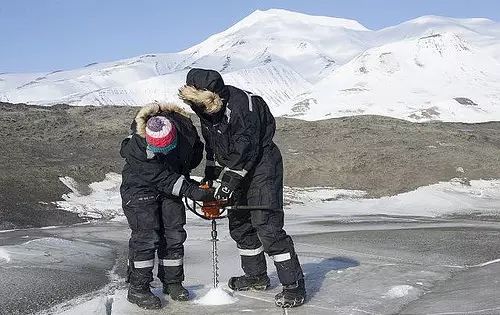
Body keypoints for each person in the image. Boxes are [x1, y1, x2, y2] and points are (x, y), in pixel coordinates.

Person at [178, 69, 306, 308]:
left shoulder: (240, 108)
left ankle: (293, 285)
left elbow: (245, 149)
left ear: (212, 96)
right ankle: (256, 276)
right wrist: (211, 178)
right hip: (235, 168)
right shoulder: (204, 109)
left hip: (262, 166)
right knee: (240, 226)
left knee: (267, 227)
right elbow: (214, 149)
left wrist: (227, 184)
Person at [120, 102, 214, 309]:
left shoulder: (186, 133)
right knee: (146, 237)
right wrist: (190, 190)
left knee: (174, 235)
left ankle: (172, 283)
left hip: (170, 187)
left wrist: (190, 181)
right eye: (155, 150)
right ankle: (138, 289)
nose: (159, 153)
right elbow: (161, 177)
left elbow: (191, 158)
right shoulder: (138, 145)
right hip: (139, 189)